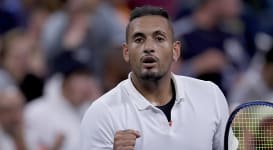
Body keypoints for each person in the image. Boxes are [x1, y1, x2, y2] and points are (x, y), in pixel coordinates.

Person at [80, 6, 233, 150]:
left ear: (175, 51)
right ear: (126, 52)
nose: (148, 47)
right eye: (139, 39)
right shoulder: (101, 113)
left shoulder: (210, 96)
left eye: (159, 38)